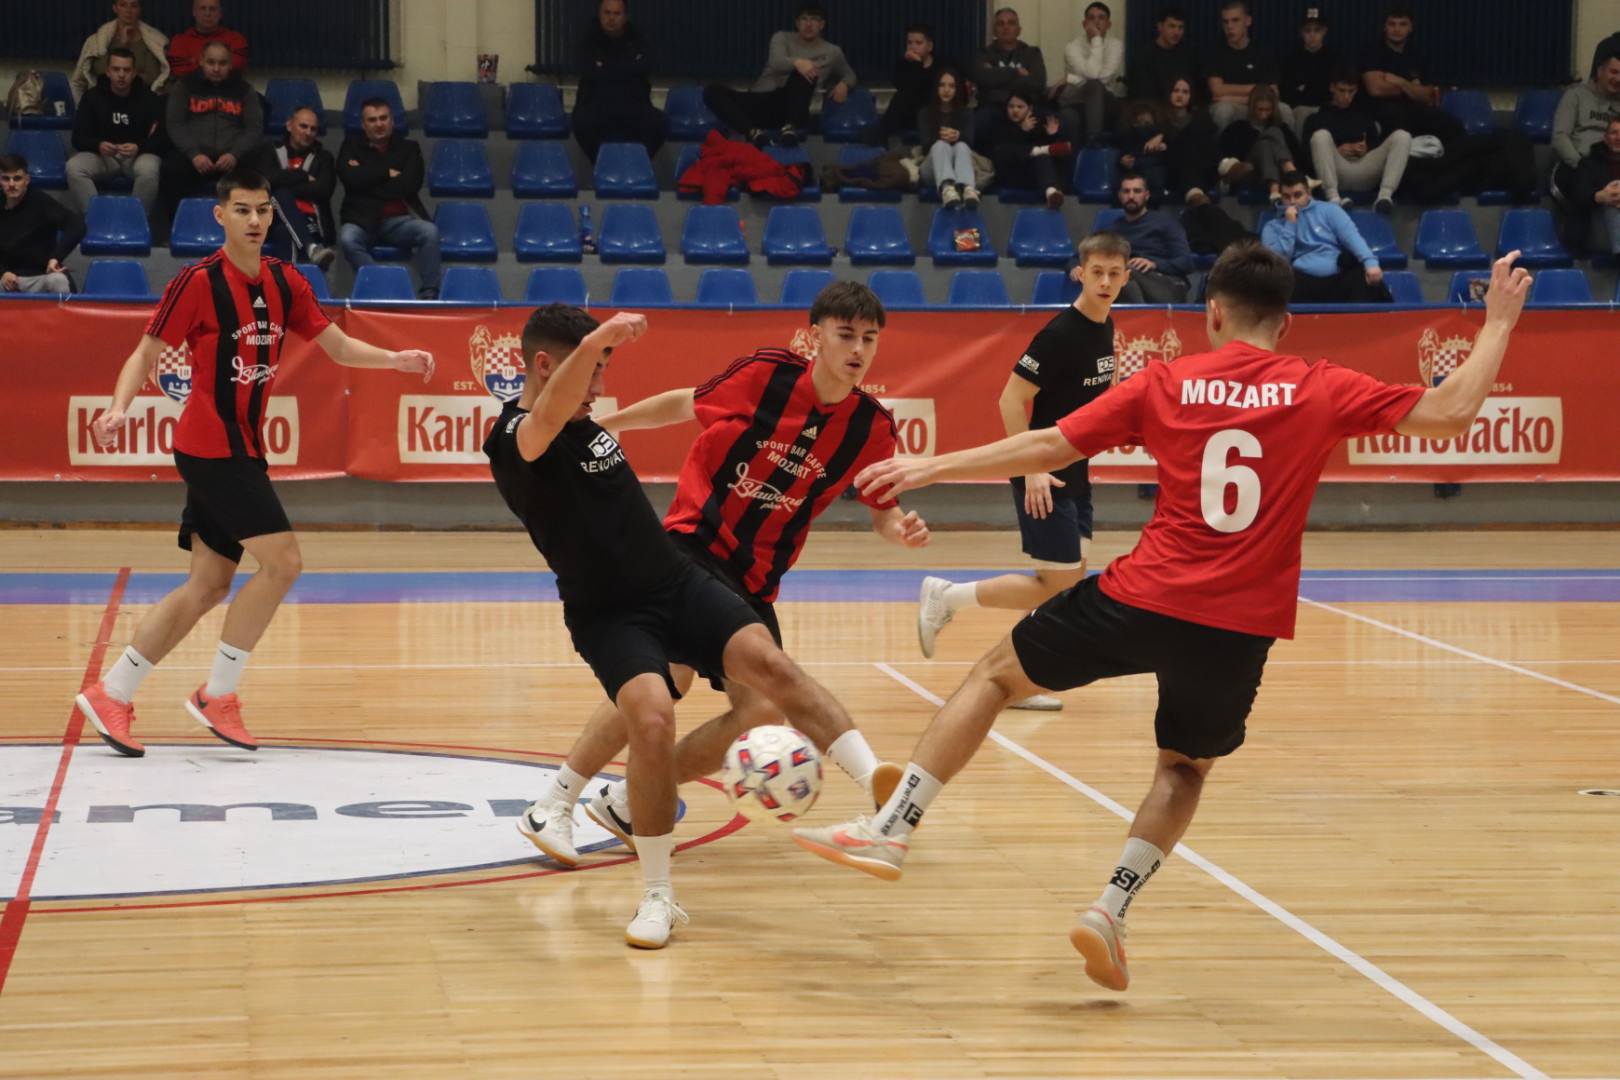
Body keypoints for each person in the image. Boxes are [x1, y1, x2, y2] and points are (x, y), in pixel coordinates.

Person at [794, 241, 1533, 993]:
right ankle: (1110, 910)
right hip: (1240, 626)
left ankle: (893, 827)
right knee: (1183, 768)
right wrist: (1499, 322)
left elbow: (1050, 441)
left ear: (1212, 313)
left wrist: (932, 465)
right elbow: (1452, 411)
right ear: (1285, 323)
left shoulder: (1166, 381)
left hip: (1143, 596)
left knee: (994, 676)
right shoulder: (1321, 386)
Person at [483, 303, 900, 951]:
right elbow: (549, 416)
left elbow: (880, 500)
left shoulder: (587, 427)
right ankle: (631, 866)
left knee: (768, 681)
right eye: (592, 372)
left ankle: (877, 788)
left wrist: (897, 522)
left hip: (684, 582)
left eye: (869, 338)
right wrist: (600, 339)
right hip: (634, 592)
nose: (600, 386)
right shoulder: (516, 435)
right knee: (654, 712)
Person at [75, 170, 434, 760]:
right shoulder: (198, 282)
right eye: (242, 210)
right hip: (211, 447)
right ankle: (218, 694)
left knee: (208, 585)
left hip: (241, 446)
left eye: (263, 210)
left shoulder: (285, 280)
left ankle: (111, 692)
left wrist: (395, 360)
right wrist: (118, 408)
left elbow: (338, 346)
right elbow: (146, 352)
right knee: (284, 563)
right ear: (220, 216)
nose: (254, 220)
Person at [916, 232, 1130, 712]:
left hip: (1074, 470)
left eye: (1114, 273)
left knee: (1066, 585)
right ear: (1081, 273)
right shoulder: (1060, 334)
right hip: (1042, 474)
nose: (1105, 281)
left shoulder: (1106, 325)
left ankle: (1018, 680)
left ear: (1125, 277)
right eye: (1097, 272)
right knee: (1055, 585)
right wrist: (1031, 467)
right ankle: (948, 597)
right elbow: (1010, 399)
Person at [704, 3, 855, 149]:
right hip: (761, 101)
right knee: (712, 91)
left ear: (822, 25)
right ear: (797, 23)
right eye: (804, 19)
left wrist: (844, 84)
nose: (809, 24)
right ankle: (753, 133)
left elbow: (850, 75)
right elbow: (776, 62)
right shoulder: (781, 38)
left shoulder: (833, 52)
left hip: (793, 109)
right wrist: (797, 62)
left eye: (814, 19)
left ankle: (789, 129)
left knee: (806, 73)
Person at [336, 98, 440, 300]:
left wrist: (366, 179)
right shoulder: (350, 146)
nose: (379, 124)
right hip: (361, 220)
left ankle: (430, 293)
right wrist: (387, 173)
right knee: (347, 239)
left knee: (430, 232)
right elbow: (349, 178)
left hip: (399, 221)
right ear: (363, 125)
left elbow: (409, 185)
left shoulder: (409, 148)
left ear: (392, 121)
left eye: (383, 118)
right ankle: (381, 283)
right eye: (372, 120)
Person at [160, 41, 263, 228]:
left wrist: (234, 154)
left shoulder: (244, 90)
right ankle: (176, 228)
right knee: (170, 169)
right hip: (194, 157)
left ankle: (249, 228)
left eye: (222, 63)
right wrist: (194, 154)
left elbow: (254, 128)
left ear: (230, 65)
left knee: (258, 168)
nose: (216, 68)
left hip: (232, 158)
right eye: (211, 62)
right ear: (201, 61)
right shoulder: (185, 86)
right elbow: (175, 124)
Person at [1261, 170, 1389, 303]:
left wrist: (1370, 262)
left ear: (1308, 193)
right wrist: (1290, 224)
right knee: (1277, 283)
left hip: (1338, 279)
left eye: (1297, 195)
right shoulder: (1272, 227)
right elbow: (1280, 262)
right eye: (1286, 197)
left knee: (1366, 277)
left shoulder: (1329, 210)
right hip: (1300, 282)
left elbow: (1352, 237)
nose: (1292, 201)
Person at [66, 47, 164, 217]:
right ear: (108, 72)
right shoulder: (92, 97)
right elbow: (78, 137)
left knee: (150, 169)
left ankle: (135, 221)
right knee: (74, 167)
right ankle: (96, 218)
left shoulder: (149, 99)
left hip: (137, 155)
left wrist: (139, 147)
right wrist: (98, 145)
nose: (121, 75)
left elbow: (161, 138)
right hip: (103, 156)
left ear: (134, 73)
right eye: (116, 69)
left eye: (126, 70)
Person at [572, 0, 665, 163]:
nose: (611, 18)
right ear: (600, 14)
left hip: (632, 103)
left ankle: (637, 163)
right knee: (580, 122)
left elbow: (648, 65)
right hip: (596, 103)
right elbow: (589, 71)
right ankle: (602, 163)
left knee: (660, 123)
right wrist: (627, 67)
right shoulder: (587, 39)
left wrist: (606, 67)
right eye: (607, 13)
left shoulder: (638, 38)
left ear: (625, 17)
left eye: (616, 13)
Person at [1305, 69, 1409, 214]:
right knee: (1320, 136)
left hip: (1365, 169)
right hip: (1335, 171)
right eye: (1342, 90)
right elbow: (1306, 157)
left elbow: (1376, 145)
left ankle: (1385, 196)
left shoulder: (1364, 115)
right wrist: (1337, 151)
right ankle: (1333, 199)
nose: (1346, 96)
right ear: (1332, 88)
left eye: (1351, 91)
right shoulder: (1316, 119)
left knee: (1402, 136)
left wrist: (1367, 148)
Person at [1358, 3, 1461, 141]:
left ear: (1411, 27)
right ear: (1385, 27)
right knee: (1400, 126)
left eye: (1403, 24)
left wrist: (1400, 82)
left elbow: (1428, 96)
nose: (1397, 29)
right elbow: (1376, 89)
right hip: (1382, 112)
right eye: (1392, 24)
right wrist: (1413, 89)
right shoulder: (1372, 51)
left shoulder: (1416, 55)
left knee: (1453, 126)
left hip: (1414, 110)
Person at [251, 106, 337, 269]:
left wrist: (282, 182)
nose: (308, 132)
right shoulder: (269, 150)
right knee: (279, 194)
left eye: (313, 129)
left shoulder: (324, 157)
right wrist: (302, 176)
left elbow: (323, 190)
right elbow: (263, 181)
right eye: (303, 126)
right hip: (272, 218)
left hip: (311, 219)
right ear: (289, 125)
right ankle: (311, 248)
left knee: (284, 229)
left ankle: (290, 283)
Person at [0, 155, 84, 295]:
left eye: (17, 178)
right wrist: (3, 272)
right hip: (7, 278)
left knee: (58, 280)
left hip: (42, 275)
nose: (12, 184)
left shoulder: (41, 202)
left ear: (27, 180)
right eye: (6, 179)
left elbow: (77, 226)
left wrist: (56, 257)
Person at [1107, 172, 1194, 303]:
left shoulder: (1166, 223)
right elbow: (1090, 255)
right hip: (1128, 280)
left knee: (1124, 274)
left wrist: (1154, 264)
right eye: (1126, 191)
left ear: (1146, 195)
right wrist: (1078, 267)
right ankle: (1141, 314)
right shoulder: (1113, 229)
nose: (1131, 196)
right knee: (1120, 277)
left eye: (1137, 191)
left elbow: (1186, 263)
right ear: (1120, 196)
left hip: (1168, 283)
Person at [1551, 54, 1620, 216]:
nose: (1618, 79)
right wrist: (1583, 165)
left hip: (1611, 164)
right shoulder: (1576, 95)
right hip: (1576, 164)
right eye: (1614, 72)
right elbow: (1559, 137)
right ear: (1600, 71)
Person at [1207, 1, 1291, 132]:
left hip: (1260, 106)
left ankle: (1286, 145)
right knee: (1223, 109)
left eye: (1235, 20)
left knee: (1284, 110)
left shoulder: (1263, 52)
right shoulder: (1215, 52)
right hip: (1234, 107)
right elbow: (1217, 90)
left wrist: (1229, 96)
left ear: (1248, 21)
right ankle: (1220, 146)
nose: (1230, 26)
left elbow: (1273, 93)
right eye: (1225, 22)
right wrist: (1258, 89)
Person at [1051, 2, 1125, 145]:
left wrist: (1069, 78)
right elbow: (1093, 75)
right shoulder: (1072, 47)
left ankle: (1093, 139)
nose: (1096, 22)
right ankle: (1077, 154)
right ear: (1084, 24)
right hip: (1077, 99)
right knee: (1069, 116)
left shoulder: (1116, 45)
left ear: (1108, 24)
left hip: (1106, 101)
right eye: (1091, 18)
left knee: (1095, 85)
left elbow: (1101, 78)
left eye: (1101, 18)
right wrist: (1097, 39)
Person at [1217, 85, 1302, 205]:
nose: (1264, 115)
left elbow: (1297, 155)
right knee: (1268, 138)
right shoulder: (1238, 128)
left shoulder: (1283, 129)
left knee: (1271, 135)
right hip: (1250, 172)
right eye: (1260, 110)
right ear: (1252, 108)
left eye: (1268, 110)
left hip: (1279, 174)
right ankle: (1294, 175)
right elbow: (1225, 161)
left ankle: (1274, 189)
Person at [988, 91, 1073, 210]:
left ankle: (1052, 193)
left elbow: (1060, 154)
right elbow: (999, 155)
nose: (1015, 110)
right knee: (1001, 150)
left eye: (1020, 107)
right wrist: (1021, 131)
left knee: (1043, 157)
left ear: (1030, 108)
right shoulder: (1000, 126)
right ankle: (1042, 150)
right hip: (1012, 175)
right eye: (1011, 106)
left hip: (1036, 176)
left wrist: (1053, 136)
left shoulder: (1039, 125)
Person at [973, 8, 1047, 142]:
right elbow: (983, 79)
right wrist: (1016, 72)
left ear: (1019, 30)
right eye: (1000, 24)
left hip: (1026, 109)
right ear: (994, 31)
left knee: (1055, 121)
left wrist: (997, 76)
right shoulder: (983, 53)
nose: (1006, 27)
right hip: (993, 108)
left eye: (1011, 23)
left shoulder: (1032, 53)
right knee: (978, 121)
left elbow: (1038, 83)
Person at [71, 0, 170, 98]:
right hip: (104, 100)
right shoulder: (96, 42)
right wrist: (121, 44)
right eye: (123, 5)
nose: (128, 10)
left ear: (140, 9)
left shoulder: (156, 42)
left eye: (134, 6)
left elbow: (153, 78)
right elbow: (82, 80)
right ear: (115, 8)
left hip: (143, 101)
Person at [919, 68, 978, 208]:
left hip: (959, 169)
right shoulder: (925, 113)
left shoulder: (966, 113)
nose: (946, 90)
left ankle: (968, 188)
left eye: (951, 86)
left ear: (957, 90)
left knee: (961, 145)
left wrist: (958, 136)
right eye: (942, 85)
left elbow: (971, 143)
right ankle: (947, 189)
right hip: (932, 169)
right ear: (936, 88)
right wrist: (941, 137)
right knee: (941, 145)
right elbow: (925, 145)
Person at [1280, 7, 1338, 137]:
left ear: (1324, 31)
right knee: (1302, 112)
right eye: (1308, 30)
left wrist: (1306, 89)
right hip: (1300, 109)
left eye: (1317, 30)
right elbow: (1287, 93)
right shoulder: (1291, 59)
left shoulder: (1334, 59)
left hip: (1326, 108)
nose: (1312, 35)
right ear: (1301, 32)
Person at [877, 22, 937, 145]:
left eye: (918, 43)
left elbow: (925, 89)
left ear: (929, 46)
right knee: (900, 98)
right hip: (908, 114)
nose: (913, 47)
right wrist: (914, 64)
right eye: (909, 43)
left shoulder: (940, 64)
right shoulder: (902, 65)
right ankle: (883, 141)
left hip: (931, 112)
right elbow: (904, 89)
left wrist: (918, 64)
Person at [1128, 6, 1198, 107]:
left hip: (1183, 109)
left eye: (1180, 27)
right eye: (1171, 26)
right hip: (1155, 109)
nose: (1176, 32)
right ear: (1160, 27)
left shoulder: (1188, 55)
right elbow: (1143, 93)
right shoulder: (1144, 56)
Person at [1572, 116, 1620, 256]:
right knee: (1613, 205)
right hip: (1599, 224)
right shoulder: (1588, 164)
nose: (1619, 138)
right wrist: (1599, 196)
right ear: (1605, 138)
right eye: (1614, 133)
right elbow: (1577, 197)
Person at [167, 0, 249, 81]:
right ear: (194, 12)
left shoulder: (236, 39)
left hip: (230, 88)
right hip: (191, 89)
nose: (207, 13)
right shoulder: (179, 41)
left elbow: (236, 69)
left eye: (212, 9)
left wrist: (196, 63)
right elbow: (180, 72)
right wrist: (221, 65)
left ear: (220, 13)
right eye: (202, 8)